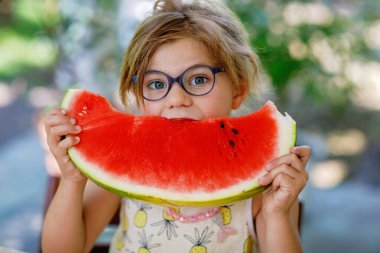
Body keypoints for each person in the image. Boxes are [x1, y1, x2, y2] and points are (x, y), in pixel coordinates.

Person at [42, 0, 311, 252]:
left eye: (198, 80)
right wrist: (72, 181)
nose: (176, 99)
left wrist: (278, 214)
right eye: (157, 84)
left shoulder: (264, 180)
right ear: (138, 95)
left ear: (238, 89)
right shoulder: (126, 159)